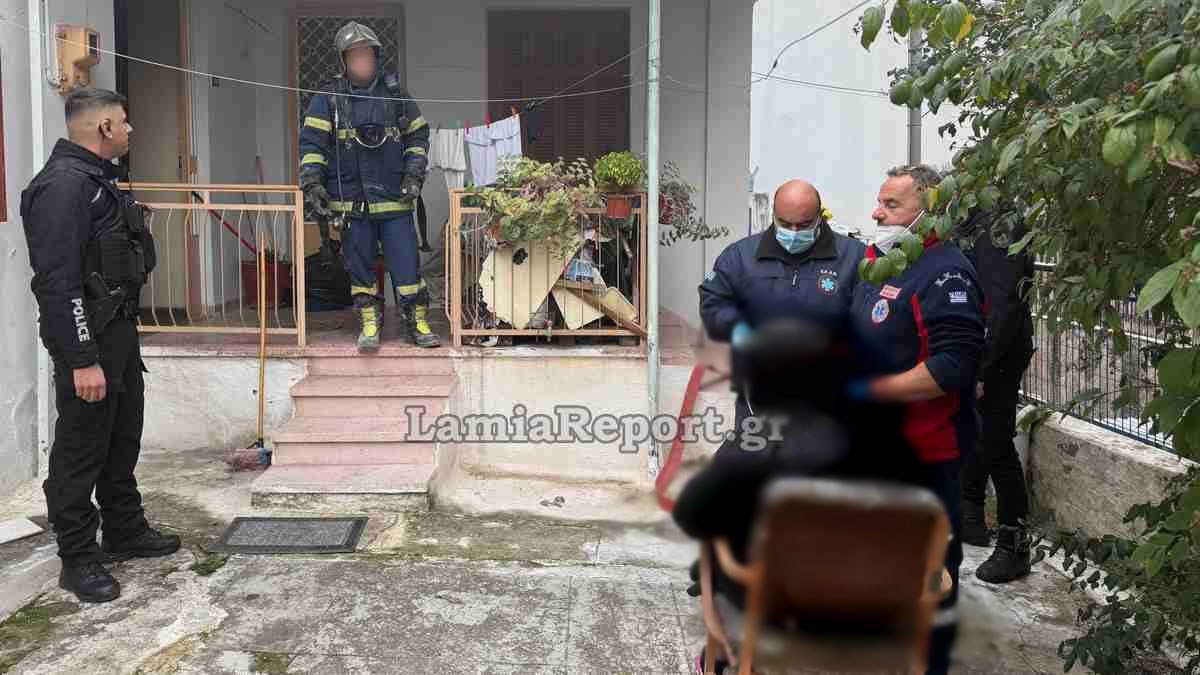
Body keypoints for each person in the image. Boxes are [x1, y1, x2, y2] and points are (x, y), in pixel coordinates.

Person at [20, 88, 181, 604]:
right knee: (82, 448)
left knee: (121, 437)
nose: (130, 129)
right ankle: (78, 558)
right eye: (124, 121)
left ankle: (124, 529)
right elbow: (58, 283)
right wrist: (82, 358)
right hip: (88, 338)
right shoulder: (62, 188)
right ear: (104, 128)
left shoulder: (96, 181)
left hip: (117, 333)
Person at [846, 164, 985, 675]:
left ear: (929, 213)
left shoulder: (946, 272)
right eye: (880, 202)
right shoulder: (883, 262)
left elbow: (954, 365)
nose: (877, 213)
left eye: (892, 205)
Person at [299, 21, 439, 351]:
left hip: (394, 200)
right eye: (355, 56)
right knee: (359, 267)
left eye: (366, 55)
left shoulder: (396, 96)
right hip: (350, 203)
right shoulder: (328, 100)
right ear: (344, 62)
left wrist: (413, 174)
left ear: (376, 57)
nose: (362, 61)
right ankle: (370, 323)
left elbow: (418, 135)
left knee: (407, 265)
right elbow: (312, 145)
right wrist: (313, 183)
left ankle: (416, 323)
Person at [698, 179, 866, 449]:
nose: (794, 232)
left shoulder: (855, 258)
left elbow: (875, 318)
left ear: (820, 217)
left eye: (804, 225)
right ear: (773, 215)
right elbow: (713, 301)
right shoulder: (740, 257)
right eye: (785, 224)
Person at [957, 207, 1036, 583]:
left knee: (996, 442)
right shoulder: (970, 223)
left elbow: (1003, 305)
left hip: (999, 355)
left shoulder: (999, 226)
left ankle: (1014, 545)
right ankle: (970, 516)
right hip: (983, 351)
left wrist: (982, 368)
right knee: (976, 433)